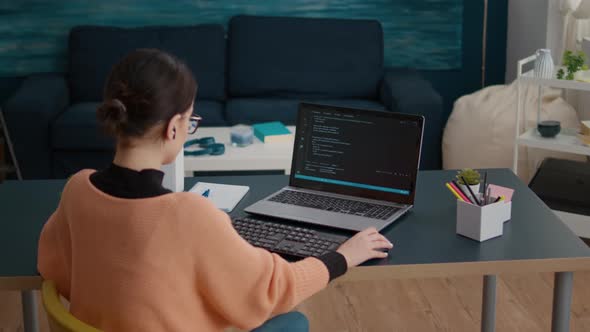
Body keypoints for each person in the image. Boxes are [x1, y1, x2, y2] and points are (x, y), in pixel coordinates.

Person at [37, 48, 393, 332]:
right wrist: (343, 256)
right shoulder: (189, 213)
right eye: (191, 121)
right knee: (293, 323)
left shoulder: (77, 189)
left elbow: (55, 268)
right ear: (174, 127)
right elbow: (270, 290)